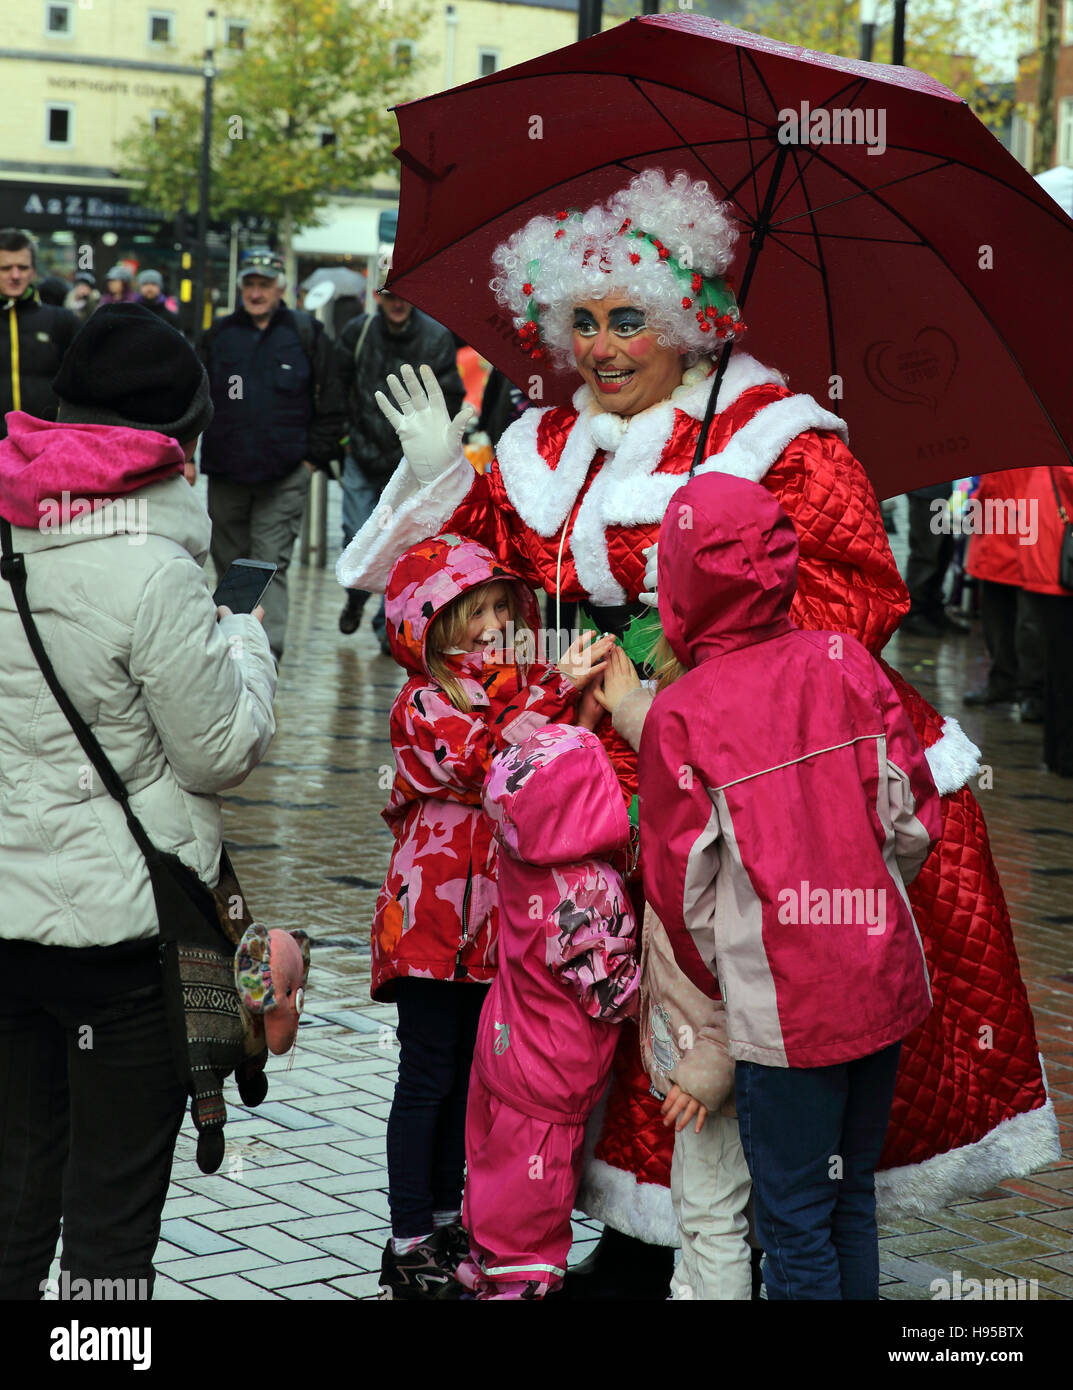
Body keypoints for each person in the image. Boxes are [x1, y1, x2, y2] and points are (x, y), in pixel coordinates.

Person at [338, 168, 1059, 1294]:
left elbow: (851, 598)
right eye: (581, 320)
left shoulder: (777, 435)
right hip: (588, 756)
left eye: (628, 319)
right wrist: (443, 485)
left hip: (739, 755)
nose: (602, 345)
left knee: (731, 991)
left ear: (683, 323)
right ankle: (634, 1233)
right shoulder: (543, 441)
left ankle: (740, 1235)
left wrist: (681, 650)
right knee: (604, 997)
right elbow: (475, 591)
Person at [0, 302, 277, 1300]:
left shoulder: (7, 533)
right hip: (124, 944)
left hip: (8, 934)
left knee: (15, 1196)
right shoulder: (158, 571)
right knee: (109, 1225)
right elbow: (218, 753)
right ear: (178, 441)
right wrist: (242, 638)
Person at [639, 472, 941, 1300]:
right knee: (847, 1204)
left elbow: (680, 890)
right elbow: (912, 819)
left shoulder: (683, 713)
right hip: (879, 987)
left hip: (781, 1010)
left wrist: (729, 971)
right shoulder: (845, 662)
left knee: (792, 1221)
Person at [372, 533, 613, 1299]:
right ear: (427, 625)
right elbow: (488, 762)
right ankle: (408, 1239)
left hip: (496, 930)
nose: (488, 625)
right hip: (427, 928)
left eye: (497, 607)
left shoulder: (523, 684)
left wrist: (587, 692)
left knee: (473, 1079)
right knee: (426, 1077)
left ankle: (449, 1222)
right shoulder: (423, 700)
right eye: (467, 611)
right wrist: (555, 693)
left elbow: (556, 757)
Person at [457, 724, 640, 1300]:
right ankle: (520, 1283)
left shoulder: (521, 855)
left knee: (493, 1176)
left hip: (503, 1047)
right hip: (551, 1075)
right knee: (534, 1211)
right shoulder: (590, 889)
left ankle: (484, 1263)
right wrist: (662, 974)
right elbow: (611, 996)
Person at [595, 643, 753, 1301]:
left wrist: (713, 1057)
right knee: (713, 1207)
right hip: (721, 1039)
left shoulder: (716, 808)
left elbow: (737, 939)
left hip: (714, 1044)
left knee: (712, 1213)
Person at [198, 248, 345, 662]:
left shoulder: (306, 334)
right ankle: (230, 647)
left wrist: (312, 460)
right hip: (227, 472)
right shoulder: (219, 334)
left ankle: (266, 654)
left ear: (280, 287)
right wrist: (189, 455)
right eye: (250, 284)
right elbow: (195, 396)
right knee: (229, 565)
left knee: (267, 564)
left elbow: (333, 399)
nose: (256, 292)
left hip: (284, 475)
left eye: (264, 284)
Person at [333, 258, 465, 648]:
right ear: (378, 296)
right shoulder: (357, 333)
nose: (397, 303)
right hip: (361, 451)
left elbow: (451, 394)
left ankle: (383, 625)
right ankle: (356, 594)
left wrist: (436, 443)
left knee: (399, 542)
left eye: (404, 295)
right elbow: (336, 387)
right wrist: (339, 439)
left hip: (409, 464)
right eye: (390, 295)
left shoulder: (437, 338)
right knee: (355, 530)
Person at [963, 469, 1045, 722]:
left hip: (1030, 535)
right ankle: (1005, 683)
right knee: (997, 619)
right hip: (997, 534)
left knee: (1030, 626)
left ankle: (1032, 692)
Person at [1017, 465, 1073, 778]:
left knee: (1058, 666)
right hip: (1059, 567)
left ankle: (1057, 753)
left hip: (1049, 558)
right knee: (1064, 669)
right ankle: (1065, 756)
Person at [0, 228, 80, 441]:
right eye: (6, 268)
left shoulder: (62, 321)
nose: (15, 275)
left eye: (23, 267)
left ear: (33, 271)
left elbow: (82, 384)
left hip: (45, 446)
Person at [900, 482, 971, 637]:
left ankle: (933, 608)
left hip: (948, 491)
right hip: (927, 491)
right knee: (926, 553)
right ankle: (914, 612)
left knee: (944, 551)